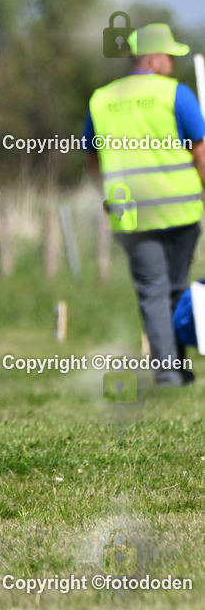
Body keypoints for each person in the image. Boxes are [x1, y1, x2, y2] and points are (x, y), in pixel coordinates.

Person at [84, 23, 205, 385]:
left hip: (132, 214)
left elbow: (92, 158)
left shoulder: (101, 98)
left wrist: (104, 194)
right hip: (180, 210)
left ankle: (170, 370)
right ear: (153, 56)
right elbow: (200, 151)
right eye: (168, 56)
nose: (171, 62)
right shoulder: (175, 94)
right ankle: (172, 370)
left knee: (153, 291)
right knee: (174, 287)